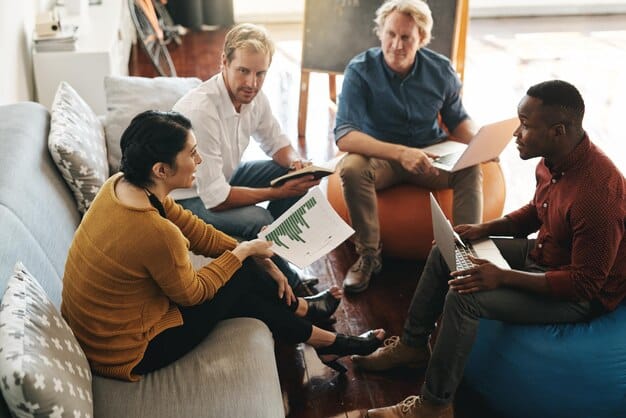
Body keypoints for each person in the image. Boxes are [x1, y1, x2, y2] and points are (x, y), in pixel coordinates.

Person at [352, 80, 626, 418]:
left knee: (466, 297)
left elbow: (585, 285)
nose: (516, 135)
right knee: (446, 249)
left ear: (558, 131)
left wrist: (503, 278)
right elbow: (536, 210)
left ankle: (435, 405)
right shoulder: (552, 161)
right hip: (545, 254)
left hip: (579, 293)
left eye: (525, 126)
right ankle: (412, 345)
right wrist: (484, 229)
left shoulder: (598, 194)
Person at [60, 111, 385, 381]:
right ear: (161, 170)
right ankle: (319, 327)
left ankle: (320, 333)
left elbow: (194, 229)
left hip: (104, 331)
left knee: (243, 273)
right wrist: (244, 253)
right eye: (191, 153)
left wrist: (259, 256)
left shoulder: (119, 185)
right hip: (129, 351)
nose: (199, 160)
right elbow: (194, 293)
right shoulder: (153, 231)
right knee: (239, 277)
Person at [335, 0, 482, 293]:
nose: (396, 44)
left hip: (430, 155)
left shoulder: (440, 70)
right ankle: (368, 257)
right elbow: (345, 135)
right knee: (351, 168)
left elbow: (457, 118)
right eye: (390, 34)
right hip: (381, 156)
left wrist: (480, 143)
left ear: (422, 40)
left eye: (406, 38)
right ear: (380, 33)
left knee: (471, 167)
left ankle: (465, 256)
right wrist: (400, 153)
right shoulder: (360, 70)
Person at [172, 23, 320, 297]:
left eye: (260, 73)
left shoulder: (255, 97)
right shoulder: (202, 111)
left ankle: (278, 254)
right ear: (224, 63)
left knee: (292, 173)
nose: (252, 83)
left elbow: (277, 143)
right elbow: (216, 198)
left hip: (220, 180)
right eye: (243, 71)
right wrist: (277, 192)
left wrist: (296, 164)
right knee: (259, 217)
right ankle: (296, 290)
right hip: (187, 200)